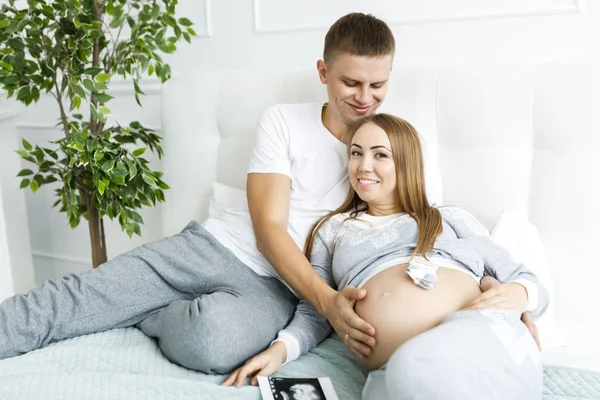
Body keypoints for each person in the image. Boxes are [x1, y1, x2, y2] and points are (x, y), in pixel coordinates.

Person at [0, 12, 395, 374]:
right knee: (80, 296)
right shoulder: (284, 121)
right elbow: (268, 228)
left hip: (276, 287)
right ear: (324, 72)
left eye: (377, 84)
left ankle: (147, 312)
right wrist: (327, 302)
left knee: (213, 343)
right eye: (351, 82)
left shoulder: (392, 151)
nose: (365, 97)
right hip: (212, 246)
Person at [223, 114, 548, 400]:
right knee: (402, 378)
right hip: (394, 370)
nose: (363, 166)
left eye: (380, 155)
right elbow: (319, 308)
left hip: (473, 336)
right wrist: (281, 350)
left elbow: (529, 283)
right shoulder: (334, 230)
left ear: (405, 164)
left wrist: (516, 295)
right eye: (356, 153)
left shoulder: (447, 217)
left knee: (417, 368)